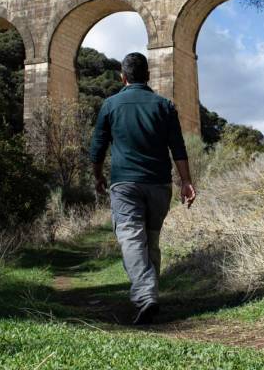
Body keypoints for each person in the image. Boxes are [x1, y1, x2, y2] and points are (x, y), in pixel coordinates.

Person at [89, 52, 197, 325]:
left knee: (131, 238)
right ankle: (149, 295)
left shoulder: (110, 105)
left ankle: (145, 294)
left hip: (125, 184)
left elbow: (97, 148)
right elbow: (178, 148)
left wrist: (98, 176)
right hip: (159, 185)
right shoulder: (164, 105)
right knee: (150, 240)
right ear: (148, 76)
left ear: (122, 77)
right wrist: (185, 181)